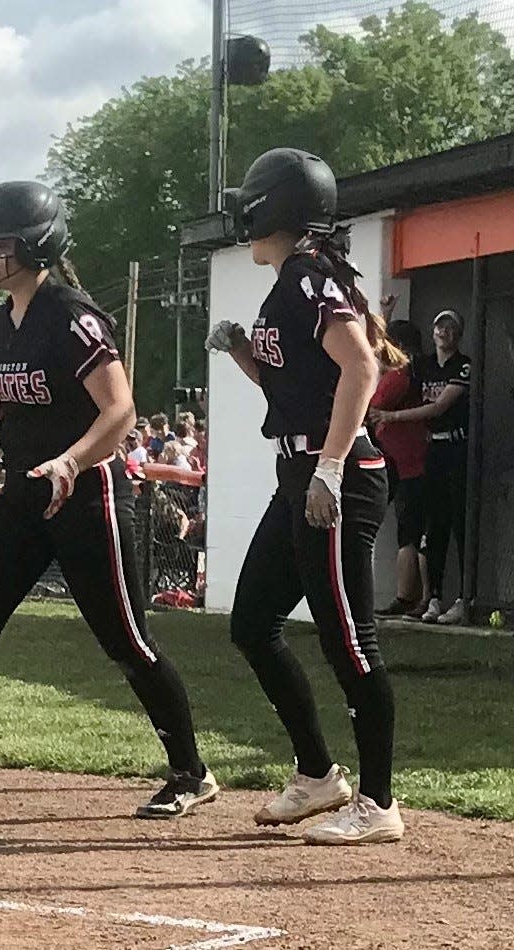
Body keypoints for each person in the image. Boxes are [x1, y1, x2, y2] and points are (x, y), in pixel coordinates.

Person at [0, 180, 216, 825]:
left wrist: (71, 462)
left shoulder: (71, 314)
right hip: (25, 494)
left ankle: (191, 772)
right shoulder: (3, 321)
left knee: (128, 641)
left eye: (2, 243)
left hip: (87, 496)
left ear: (38, 244)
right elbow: (15, 404)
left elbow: (121, 410)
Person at [206, 147, 406, 844]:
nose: (244, 216)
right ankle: (319, 774)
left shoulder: (307, 276)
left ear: (276, 208)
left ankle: (378, 805)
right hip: (300, 474)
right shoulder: (292, 278)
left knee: (349, 642)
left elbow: (363, 367)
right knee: (252, 622)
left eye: (253, 203)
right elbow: (298, 388)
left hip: (337, 480)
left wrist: (328, 468)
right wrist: (242, 353)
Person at [371, 309, 471, 625]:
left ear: (459, 333)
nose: (445, 331)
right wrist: (383, 316)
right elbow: (389, 357)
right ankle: (433, 598)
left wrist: (391, 417)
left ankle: (462, 599)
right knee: (433, 528)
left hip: (455, 447)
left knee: (456, 525)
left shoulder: (463, 365)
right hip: (431, 451)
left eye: (451, 327)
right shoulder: (423, 366)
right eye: (440, 325)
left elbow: (441, 406)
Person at [370, 321, 430, 618]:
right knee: (413, 528)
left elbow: (373, 405)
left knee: (408, 531)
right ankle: (417, 596)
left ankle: (407, 597)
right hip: (410, 459)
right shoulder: (416, 372)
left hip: (406, 462)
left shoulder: (401, 375)